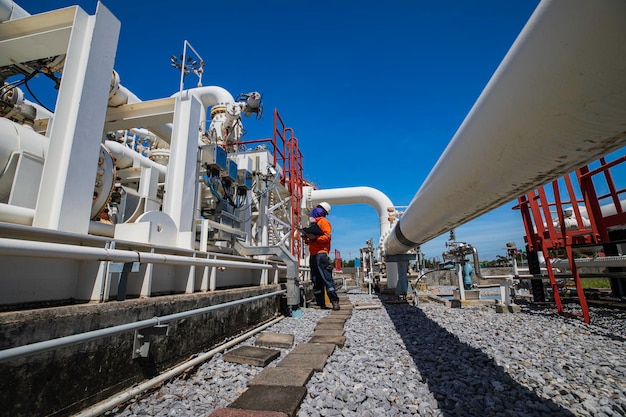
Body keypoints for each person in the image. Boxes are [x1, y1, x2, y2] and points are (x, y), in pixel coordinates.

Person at [304, 202, 340, 310]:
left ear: (322, 212)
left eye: (319, 208)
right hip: (313, 255)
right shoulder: (313, 225)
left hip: (321, 254)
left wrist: (314, 238)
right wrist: (307, 239)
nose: (316, 210)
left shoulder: (324, 222)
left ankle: (334, 301)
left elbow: (327, 237)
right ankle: (320, 302)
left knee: (326, 278)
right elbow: (313, 240)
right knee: (316, 279)